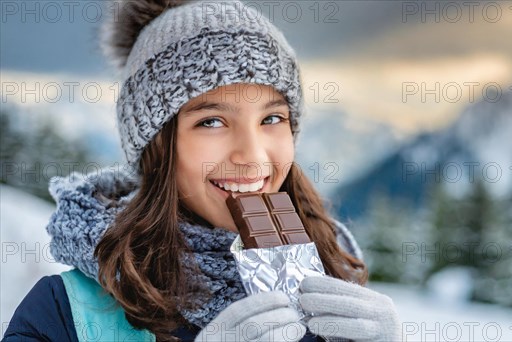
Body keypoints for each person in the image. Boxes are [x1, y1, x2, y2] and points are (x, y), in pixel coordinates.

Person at [3, 1, 402, 341]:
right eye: (211, 121)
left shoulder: (336, 284)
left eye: (272, 118)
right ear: (157, 147)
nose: (252, 156)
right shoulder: (62, 314)